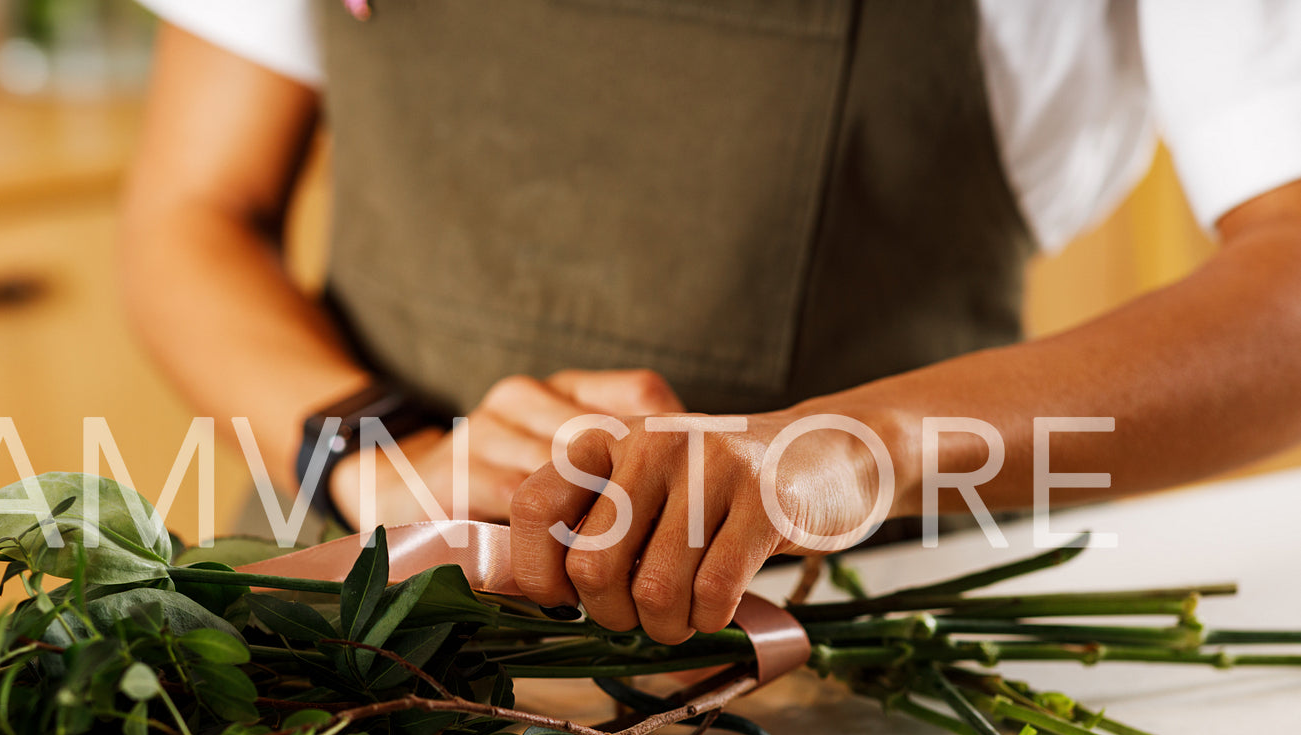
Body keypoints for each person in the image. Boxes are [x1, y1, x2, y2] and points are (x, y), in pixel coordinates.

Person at [120, 0, 1301, 647]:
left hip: (822, 680)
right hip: (341, 630)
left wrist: (853, 448)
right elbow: (190, 209)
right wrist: (373, 450)